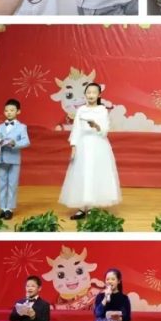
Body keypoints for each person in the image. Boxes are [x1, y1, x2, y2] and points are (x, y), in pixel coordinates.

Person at [59, 82, 121, 220]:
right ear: (85, 94)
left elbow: (105, 130)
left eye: (94, 92)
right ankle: (82, 207)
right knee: (81, 174)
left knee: (95, 174)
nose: (91, 95)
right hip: (83, 145)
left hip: (98, 145)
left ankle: (92, 207)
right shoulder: (81, 110)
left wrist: (96, 125)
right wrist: (74, 146)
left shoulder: (102, 110)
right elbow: (76, 129)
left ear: (99, 95)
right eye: (88, 92)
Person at [0, 98, 30, 220]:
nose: (9, 112)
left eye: (12, 110)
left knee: (12, 184)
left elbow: (26, 142)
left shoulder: (22, 127)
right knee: (1, 183)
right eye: (6, 110)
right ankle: (2, 208)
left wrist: (14, 143)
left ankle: (9, 208)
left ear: (18, 111)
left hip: (14, 159)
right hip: (1, 158)